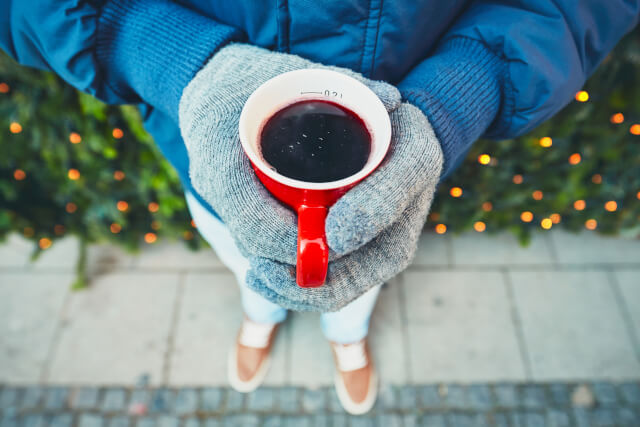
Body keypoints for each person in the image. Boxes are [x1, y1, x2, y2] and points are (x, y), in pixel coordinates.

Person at [2, 0, 638, 414]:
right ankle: (261, 314)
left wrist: (464, 87)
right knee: (240, 254)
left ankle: (346, 334)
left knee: (359, 272)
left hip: (397, 132)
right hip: (202, 135)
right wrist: (165, 53)